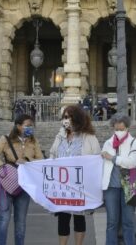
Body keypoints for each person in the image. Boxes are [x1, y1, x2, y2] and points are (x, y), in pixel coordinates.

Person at [0, 114, 43, 245]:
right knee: (3, 219)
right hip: (5, 183)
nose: (30, 128)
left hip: (24, 185)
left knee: (21, 222)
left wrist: (28, 161)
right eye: (27, 125)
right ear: (18, 126)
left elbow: (40, 160)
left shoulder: (34, 141)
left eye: (31, 125)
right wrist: (3, 166)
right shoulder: (6, 139)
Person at [49, 105, 101, 245]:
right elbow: (53, 154)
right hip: (62, 185)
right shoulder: (60, 136)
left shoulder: (89, 137)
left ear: (77, 119)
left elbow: (96, 158)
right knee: (63, 217)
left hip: (80, 184)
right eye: (65, 117)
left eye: (70, 117)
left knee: (79, 217)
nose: (67, 120)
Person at [101, 114, 136, 245]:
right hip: (111, 188)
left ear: (127, 128)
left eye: (121, 129)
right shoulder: (107, 143)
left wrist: (113, 158)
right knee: (111, 222)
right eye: (116, 129)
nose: (119, 132)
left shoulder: (134, 142)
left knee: (128, 221)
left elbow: (132, 162)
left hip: (128, 187)